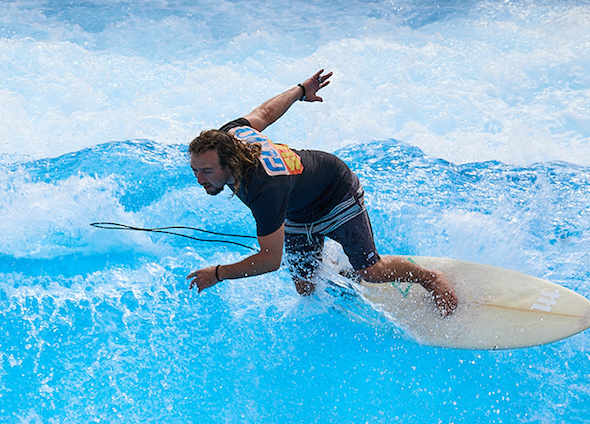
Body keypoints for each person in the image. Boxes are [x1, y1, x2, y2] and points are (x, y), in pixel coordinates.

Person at [186, 69, 457, 316]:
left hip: (334, 191)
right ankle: (344, 270)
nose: (199, 179)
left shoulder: (263, 189)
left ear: (229, 163)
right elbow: (265, 112)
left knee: (371, 271)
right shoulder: (231, 136)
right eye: (195, 170)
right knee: (306, 287)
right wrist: (301, 90)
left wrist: (219, 274)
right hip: (297, 207)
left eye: (207, 171)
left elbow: (270, 260)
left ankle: (430, 278)